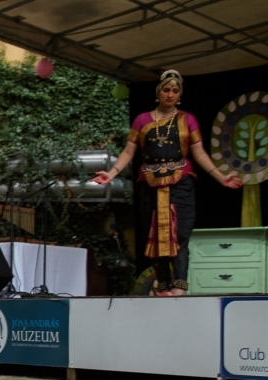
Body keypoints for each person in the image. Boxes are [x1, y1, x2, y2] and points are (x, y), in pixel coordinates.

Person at [92, 69, 243, 296]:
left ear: (179, 95)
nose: (170, 94)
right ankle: (162, 285)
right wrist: (111, 174)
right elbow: (129, 151)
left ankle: (180, 286)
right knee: (155, 234)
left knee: (179, 233)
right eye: (166, 89)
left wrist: (221, 177)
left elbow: (199, 153)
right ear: (158, 93)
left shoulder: (187, 119)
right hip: (150, 183)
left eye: (175, 90)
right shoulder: (142, 120)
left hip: (180, 181)